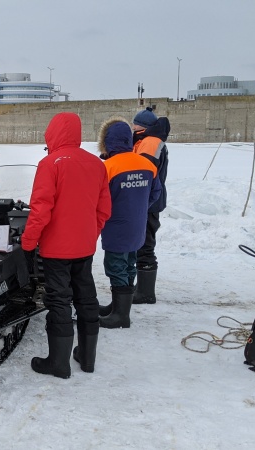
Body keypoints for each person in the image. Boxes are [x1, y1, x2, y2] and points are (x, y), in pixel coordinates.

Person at [21, 112, 111, 378]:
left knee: (59, 301)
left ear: (52, 133)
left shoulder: (50, 163)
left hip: (55, 250)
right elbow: (103, 210)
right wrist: (88, 235)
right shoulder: (96, 164)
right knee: (86, 298)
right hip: (84, 248)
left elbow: (40, 211)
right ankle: (87, 357)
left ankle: (58, 364)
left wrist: (28, 243)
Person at [96, 118, 161, 330]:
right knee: (130, 263)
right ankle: (118, 307)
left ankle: (121, 316)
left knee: (115, 266)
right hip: (137, 226)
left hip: (116, 227)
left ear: (107, 142)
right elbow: (156, 194)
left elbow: (99, 198)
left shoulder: (108, 167)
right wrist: (139, 207)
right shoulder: (147, 164)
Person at [131, 107, 170, 305]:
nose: (132, 126)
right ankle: (143, 288)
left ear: (141, 126)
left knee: (145, 244)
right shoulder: (147, 140)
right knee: (144, 242)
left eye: (134, 123)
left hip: (149, 202)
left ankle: (146, 292)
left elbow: (143, 173)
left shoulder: (149, 142)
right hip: (151, 200)